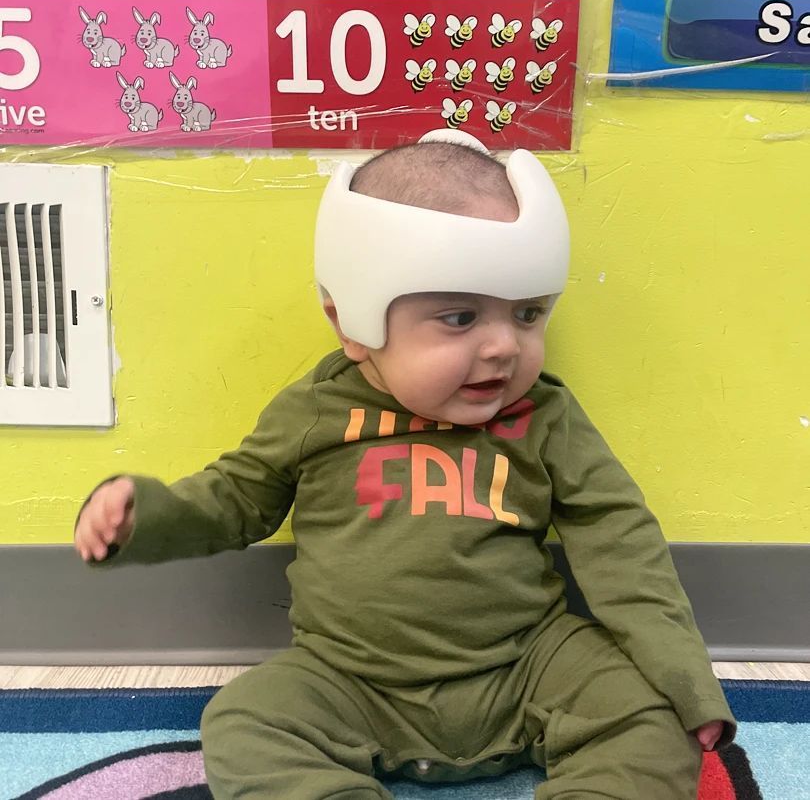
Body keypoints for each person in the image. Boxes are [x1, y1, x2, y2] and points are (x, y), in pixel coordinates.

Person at [74, 130, 736, 799]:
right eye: (459, 317)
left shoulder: (545, 418)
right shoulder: (318, 412)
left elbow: (621, 541)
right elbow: (232, 499)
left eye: (529, 313)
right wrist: (144, 517)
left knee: (652, 715)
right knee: (244, 721)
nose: (505, 347)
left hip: (527, 665)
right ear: (352, 323)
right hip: (351, 680)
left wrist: (683, 674)